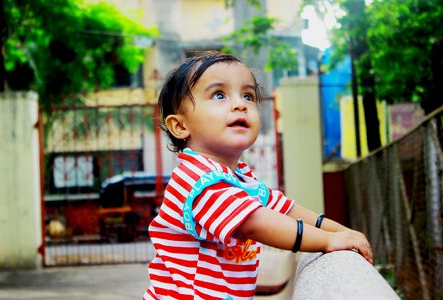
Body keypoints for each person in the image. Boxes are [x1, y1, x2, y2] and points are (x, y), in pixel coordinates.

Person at [143, 51, 372, 300]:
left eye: (248, 96)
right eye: (219, 94)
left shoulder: (240, 178)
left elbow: (286, 210)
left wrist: (341, 232)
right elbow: (255, 223)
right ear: (180, 126)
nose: (240, 104)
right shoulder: (195, 179)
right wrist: (328, 241)